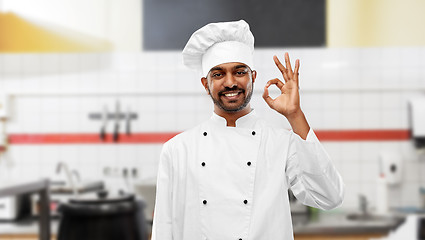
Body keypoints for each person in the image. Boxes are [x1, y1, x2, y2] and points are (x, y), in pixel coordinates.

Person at [151, 20, 344, 240]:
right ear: (205, 84)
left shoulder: (281, 142)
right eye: (218, 74)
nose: (230, 82)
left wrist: (295, 115)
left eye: (239, 72)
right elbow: (163, 230)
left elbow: (331, 197)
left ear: (253, 77)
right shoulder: (178, 150)